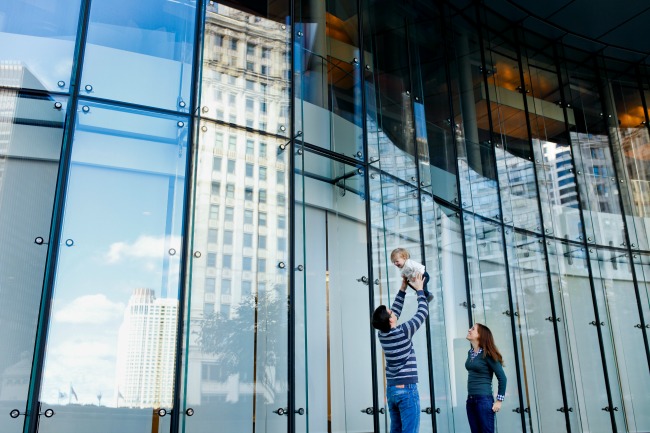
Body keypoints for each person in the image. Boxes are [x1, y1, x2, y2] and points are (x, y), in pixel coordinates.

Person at [372, 274, 428, 433]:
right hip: (407, 390)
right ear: (390, 320)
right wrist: (420, 291)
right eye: (390, 312)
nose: (392, 310)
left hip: (392, 390)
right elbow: (422, 313)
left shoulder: (382, 334)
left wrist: (403, 288)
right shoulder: (404, 332)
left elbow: (395, 310)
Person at [465, 323, 507, 433]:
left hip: (483, 401)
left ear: (480, 335)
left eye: (473, 329)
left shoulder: (487, 354)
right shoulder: (470, 353)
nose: (469, 330)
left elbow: (502, 378)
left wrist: (499, 401)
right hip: (470, 400)